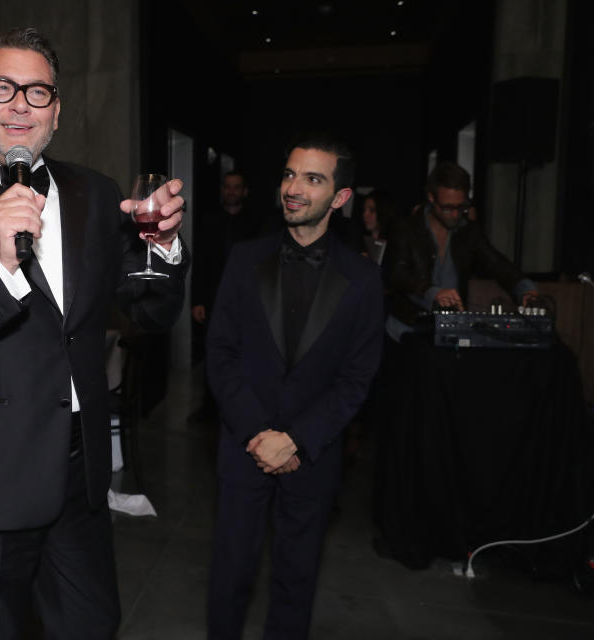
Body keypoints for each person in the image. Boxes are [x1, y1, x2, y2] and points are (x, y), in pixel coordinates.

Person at [0, 27, 187, 639]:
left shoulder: (95, 193)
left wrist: (165, 246)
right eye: (3, 87)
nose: (20, 103)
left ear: (57, 110)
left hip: (78, 475)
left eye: (38, 91)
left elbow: (150, 314)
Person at [205, 134, 383, 639]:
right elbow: (219, 354)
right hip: (243, 446)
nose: (293, 188)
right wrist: (258, 432)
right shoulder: (244, 259)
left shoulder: (363, 281)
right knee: (230, 574)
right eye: (288, 174)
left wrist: (297, 439)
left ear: (341, 197)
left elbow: (357, 378)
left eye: (312, 178)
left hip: (314, 453)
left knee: (296, 580)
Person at [384, 161, 537, 342]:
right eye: (448, 208)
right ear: (431, 198)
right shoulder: (406, 228)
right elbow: (396, 274)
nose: (455, 214)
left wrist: (525, 289)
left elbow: (496, 263)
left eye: (461, 207)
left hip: (449, 331)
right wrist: (432, 292)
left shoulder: (468, 231)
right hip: (406, 329)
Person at [189, 171, 257, 422]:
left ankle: (238, 407)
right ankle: (209, 408)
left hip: (246, 303)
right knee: (212, 355)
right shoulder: (210, 221)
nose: (231, 191)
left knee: (242, 356)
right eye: (227, 187)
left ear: (244, 191)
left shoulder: (255, 224)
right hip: (212, 300)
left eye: (236, 187)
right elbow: (200, 263)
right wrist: (197, 300)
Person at [359, 190, 395, 264]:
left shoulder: (394, 243)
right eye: (364, 210)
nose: (365, 214)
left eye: (371, 210)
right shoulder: (359, 239)